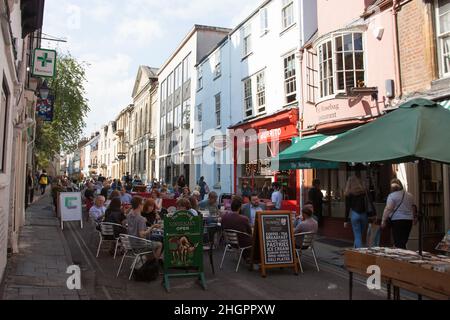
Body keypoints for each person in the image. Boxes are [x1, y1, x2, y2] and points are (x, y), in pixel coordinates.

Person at [381, 179, 418, 249]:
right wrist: (414, 218)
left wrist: (383, 220)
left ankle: (401, 257)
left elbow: (388, 208)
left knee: (398, 242)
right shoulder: (410, 195)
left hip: (397, 220)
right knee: (403, 241)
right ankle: (403, 256)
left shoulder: (392, 196)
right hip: (408, 220)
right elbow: (413, 207)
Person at [344, 176, 368, 249]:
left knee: (358, 236)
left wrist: (345, 220)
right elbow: (369, 203)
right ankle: (356, 250)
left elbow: (347, 208)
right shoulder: (363, 192)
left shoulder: (348, 193)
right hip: (364, 215)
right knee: (359, 235)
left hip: (354, 214)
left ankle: (359, 253)